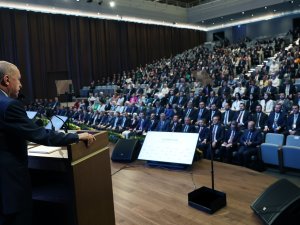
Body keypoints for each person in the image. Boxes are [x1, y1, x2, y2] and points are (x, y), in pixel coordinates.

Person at [0, 61, 96, 225]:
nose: (21, 85)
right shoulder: (9, 106)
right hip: (11, 184)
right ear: (7, 80)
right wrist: (77, 137)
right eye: (19, 79)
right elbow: (41, 135)